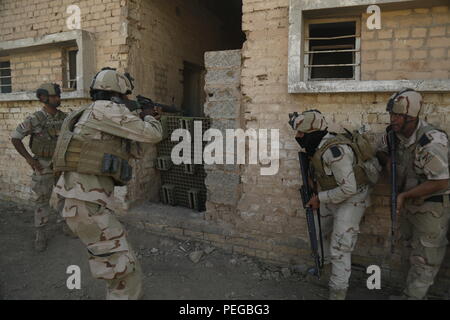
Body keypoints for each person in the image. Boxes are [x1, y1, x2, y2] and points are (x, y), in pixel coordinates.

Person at [51, 67, 163, 299]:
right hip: (86, 204)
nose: (127, 101)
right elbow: (153, 134)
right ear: (119, 92)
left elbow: (133, 151)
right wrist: (150, 116)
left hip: (82, 202)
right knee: (124, 271)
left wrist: (140, 117)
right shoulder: (107, 110)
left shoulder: (89, 111)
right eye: (126, 97)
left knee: (114, 265)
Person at [291, 110, 378, 300]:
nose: (297, 137)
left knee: (340, 246)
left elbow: (349, 189)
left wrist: (319, 198)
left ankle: (337, 292)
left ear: (313, 132)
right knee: (315, 229)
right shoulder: (317, 146)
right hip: (333, 195)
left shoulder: (334, 152)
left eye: (301, 134)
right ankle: (327, 267)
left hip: (353, 198)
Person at [376, 88, 450, 300]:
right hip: (410, 204)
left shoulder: (431, 141)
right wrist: (387, 161)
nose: (393, 119)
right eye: (392, 114)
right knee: (411, 251)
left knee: (426, 258)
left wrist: (404, 196)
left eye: (399, 116)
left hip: (432, 207)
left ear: (412, 117)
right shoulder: (394, 135)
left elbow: (441, 181)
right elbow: (379, 149)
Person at [11, 83, 67, 252]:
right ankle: (40, 234)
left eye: (58, 95)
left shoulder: (65, 118)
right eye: (54, 96)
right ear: (43, 98)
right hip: (43, 165)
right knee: (42, 199)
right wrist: (30, 159)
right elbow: (15, 138)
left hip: (62, 164)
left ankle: (66, 225)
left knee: (65, 196)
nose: (58, 98)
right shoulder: (35, 119)